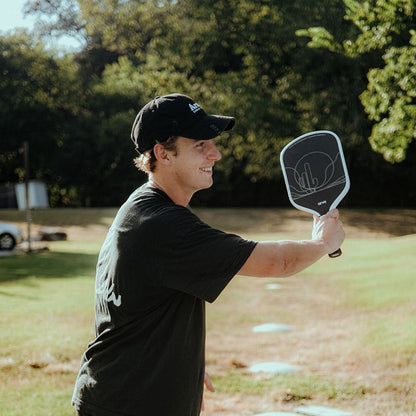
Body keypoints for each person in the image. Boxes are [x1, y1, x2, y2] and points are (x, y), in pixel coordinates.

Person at [72, 93, 345, 416]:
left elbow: (139, 306)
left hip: (125, 394)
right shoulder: (163, 225)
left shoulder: (142, 207)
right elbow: (277, 262)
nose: (215, 154)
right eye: (201, 144)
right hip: (129, 404)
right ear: (163, 153)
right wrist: (322, 243)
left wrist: (180, 368)